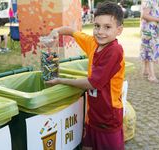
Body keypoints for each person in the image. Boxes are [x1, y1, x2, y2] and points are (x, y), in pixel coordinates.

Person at [46, 1, 125, 149]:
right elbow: (70, 31)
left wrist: (61, 80)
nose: (100, 31)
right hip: (92, 115)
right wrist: (55, 32)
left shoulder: (115, 50)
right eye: (97, 26)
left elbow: (93, 83)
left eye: (107, 27)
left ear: (119, 30)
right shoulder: (92, 43)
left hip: (109, 117)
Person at [140, 0, 159, 83]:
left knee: (147, 49)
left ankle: (146, 71)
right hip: (150, 30)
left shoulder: (153, 1)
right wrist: (158, 19)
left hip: (150, 30)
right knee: (151, 50)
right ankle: (151, 76)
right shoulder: (150, 0)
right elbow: (144, 15)